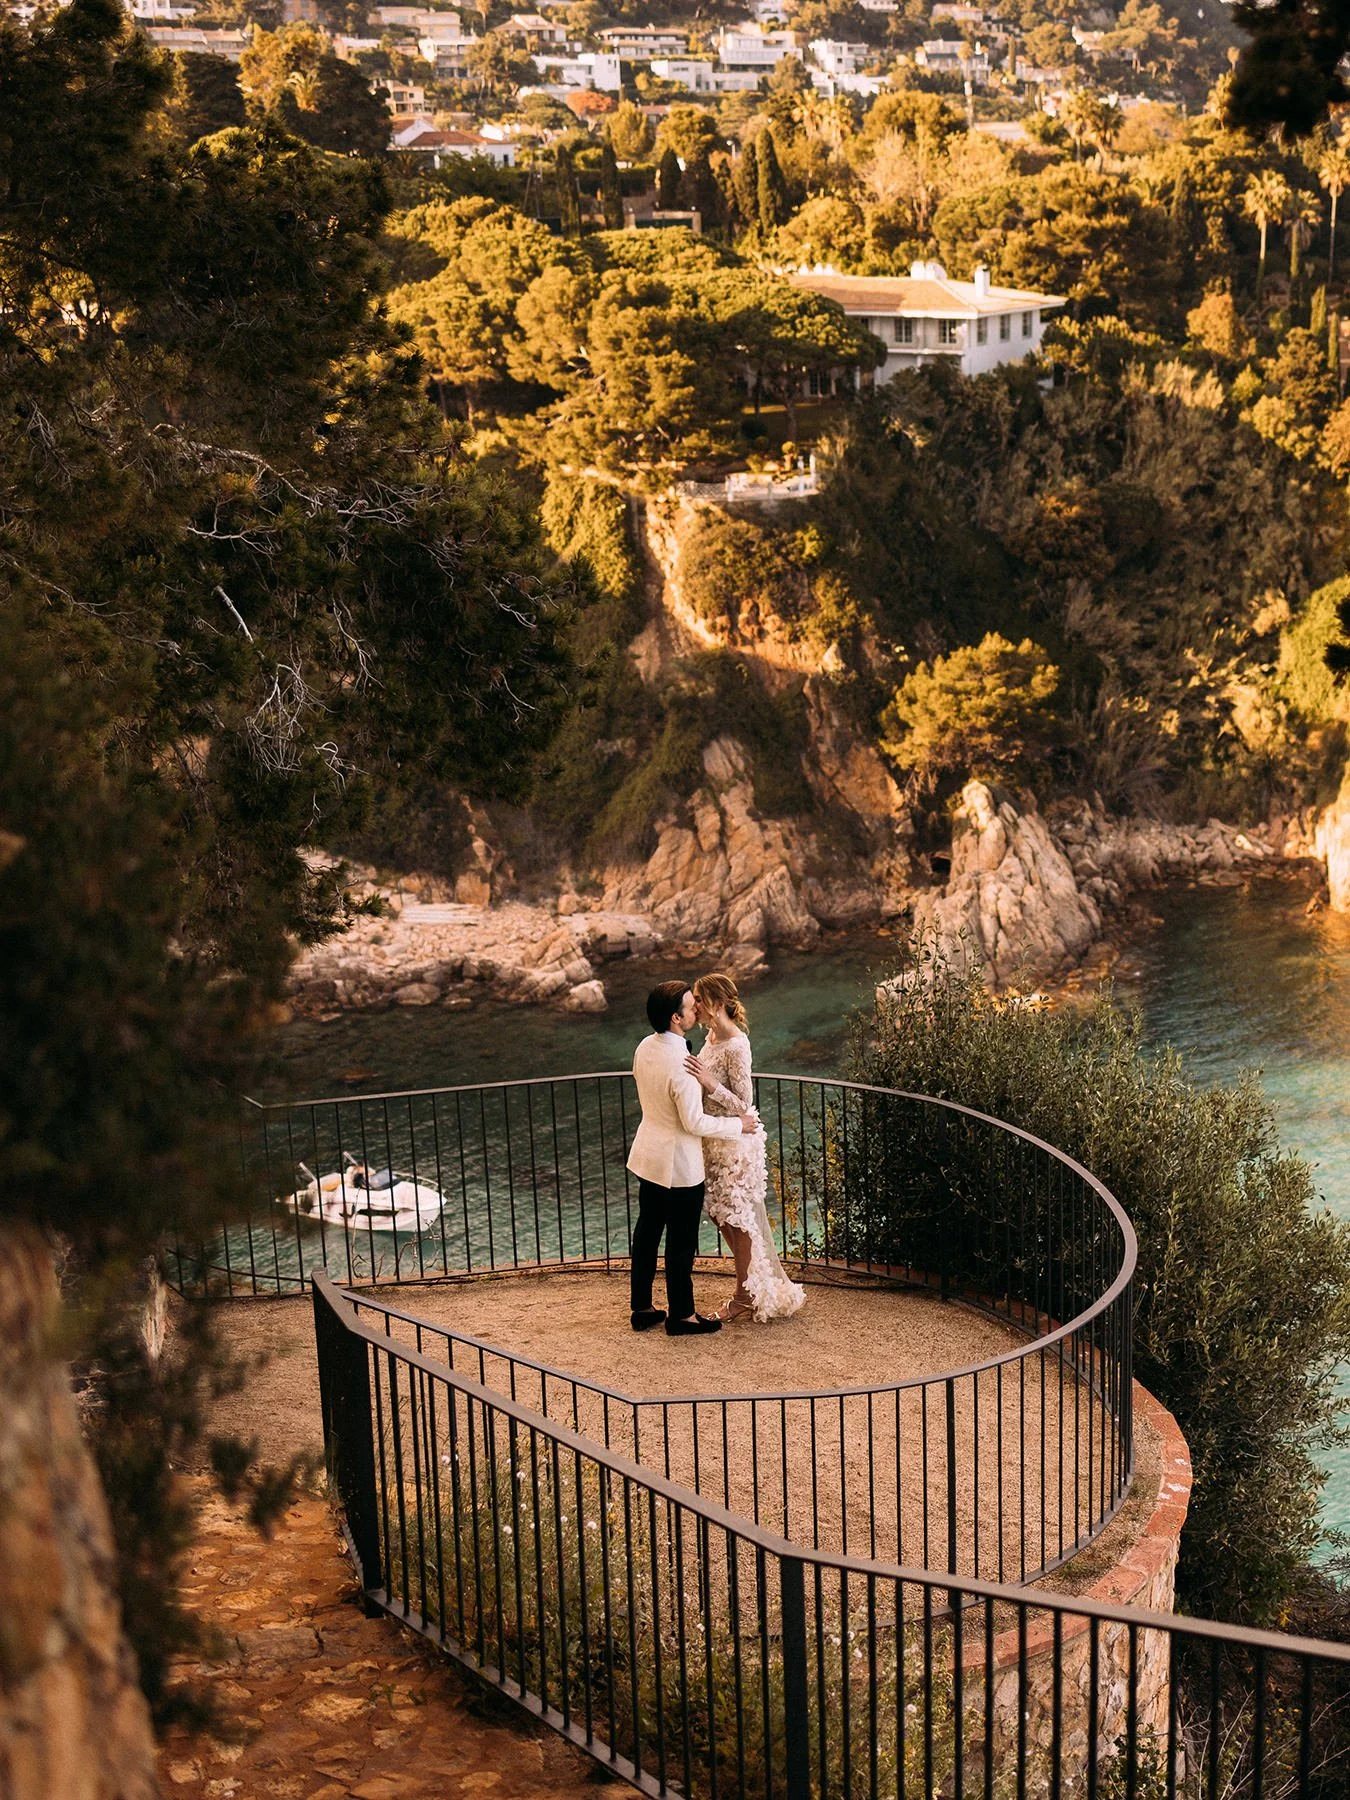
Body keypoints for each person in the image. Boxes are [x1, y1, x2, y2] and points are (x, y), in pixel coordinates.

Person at [627, 979, 760, 1336]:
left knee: (646, 1233)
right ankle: (681, 1316)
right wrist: (738, 1126)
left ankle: (641, 1308)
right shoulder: (682, 1062)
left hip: (646, 1154)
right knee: (681, 1242)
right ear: (675, 1017)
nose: (695, 1010)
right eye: (690, 1006)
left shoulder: (644, 1047)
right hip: (679, 1164)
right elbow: (694, 1121)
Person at [685, 972, 805, 1325]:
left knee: (738, 1219)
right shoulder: (710, 1036)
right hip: (713, 1141)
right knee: (719, 1214)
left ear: (717, 1004)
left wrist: (708, 1084)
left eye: (699, 999)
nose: (694, 1004)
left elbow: (744, 1103)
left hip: (735, 1145)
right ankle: (752, 1285)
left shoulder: (737, 1044)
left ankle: (743, 1296)